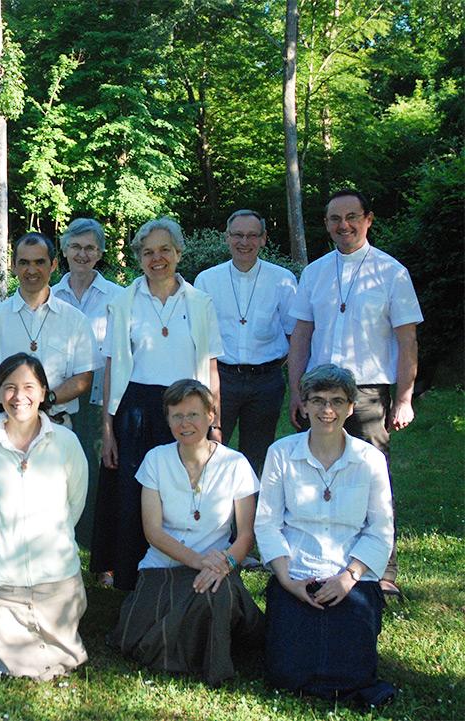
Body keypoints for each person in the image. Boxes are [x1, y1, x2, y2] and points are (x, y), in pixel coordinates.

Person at [287, 188, 422, 599]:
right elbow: (301, 335)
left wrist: (403, 397)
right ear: (326, 224)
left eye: (351, 217)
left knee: (372, 477)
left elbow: (407, 339)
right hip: (317, 392)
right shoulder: (315, 272)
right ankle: (315, 557)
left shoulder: (392, 272)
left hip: (367, 392)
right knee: (314, 475)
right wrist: (296, 392)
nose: (342, 225)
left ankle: (383, 570)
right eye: (334, 219)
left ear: (368, 219)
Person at [91, 217, 223, 591]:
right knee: (135, 495)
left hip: (187, 409)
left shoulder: (200, 303)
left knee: (183, 489)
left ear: (179, 253)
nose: (157, 258)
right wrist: (107, 428)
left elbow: (211, 365)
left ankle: (185, 572)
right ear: (139, 258)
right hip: (135, 410)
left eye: (165, 249)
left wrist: (213, 422)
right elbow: (113, 367)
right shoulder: (123, 303)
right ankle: (133, 581)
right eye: (148, 252)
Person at [256, 364, 395, 705]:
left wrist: (348, 578)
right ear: (303, 406)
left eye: (336, 400)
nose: (326, 410)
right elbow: (267, 523)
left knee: (352, 675)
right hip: (297, 574)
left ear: (351, 407)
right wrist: (288, 582)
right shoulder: (281, 454)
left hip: (351, 578)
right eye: (317, 400)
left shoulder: (370, 460)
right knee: (287, 674)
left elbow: (380, 529)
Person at [109, 380, 262, 686]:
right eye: (176, 416)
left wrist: (225, 564)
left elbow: (245, 535)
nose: (185, 423)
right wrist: (200, 562)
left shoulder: (236, 464)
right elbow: (153, 532)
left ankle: (200, 657)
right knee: (136, 633)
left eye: (193, 414)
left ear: (211, 415)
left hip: (219, 566)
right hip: (163, 566)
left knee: (212, 596)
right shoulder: (156, 459)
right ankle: (196, 649)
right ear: (167, 420)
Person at [0, 353, 88, 681]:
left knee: (62, 658)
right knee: (8, 662)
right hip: (1, 579)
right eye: (9, 387)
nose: (19, 397)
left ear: (44, 392)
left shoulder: (66, 442)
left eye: (29, 387)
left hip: (55, 576)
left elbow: (74, 505)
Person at [195, 209, 297, 476]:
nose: (245, 242)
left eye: (252, 235)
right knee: (210, 451)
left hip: (266, 381)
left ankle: (249, 514)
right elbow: (199, 337)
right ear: (227, 238)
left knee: (257, 457)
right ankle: (211, 513)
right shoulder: (206, 280)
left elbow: (293, 334)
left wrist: (269, 363)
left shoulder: (282, 280)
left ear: (264, 239)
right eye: (238, 235)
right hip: (220, 379)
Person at [0, 232, 101, 428]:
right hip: (6, 427)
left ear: (53, 265)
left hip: (57, 426)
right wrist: (16, 410)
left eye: (39, 262)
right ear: (14, 266)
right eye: (24, 262)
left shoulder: (75, 320)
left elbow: (83, 379)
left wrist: (46, 402)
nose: (32, 270)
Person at [50, 218, 123, 546]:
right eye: (76, 247)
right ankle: (58, 542)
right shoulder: (48, 296)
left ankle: (97, 552)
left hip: (99, 402)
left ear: (101, 252)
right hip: (57, 402)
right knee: (57, 474)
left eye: (90, 248)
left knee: (97, 477)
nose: (82, 254)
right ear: (64, 250)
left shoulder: (118, 298)